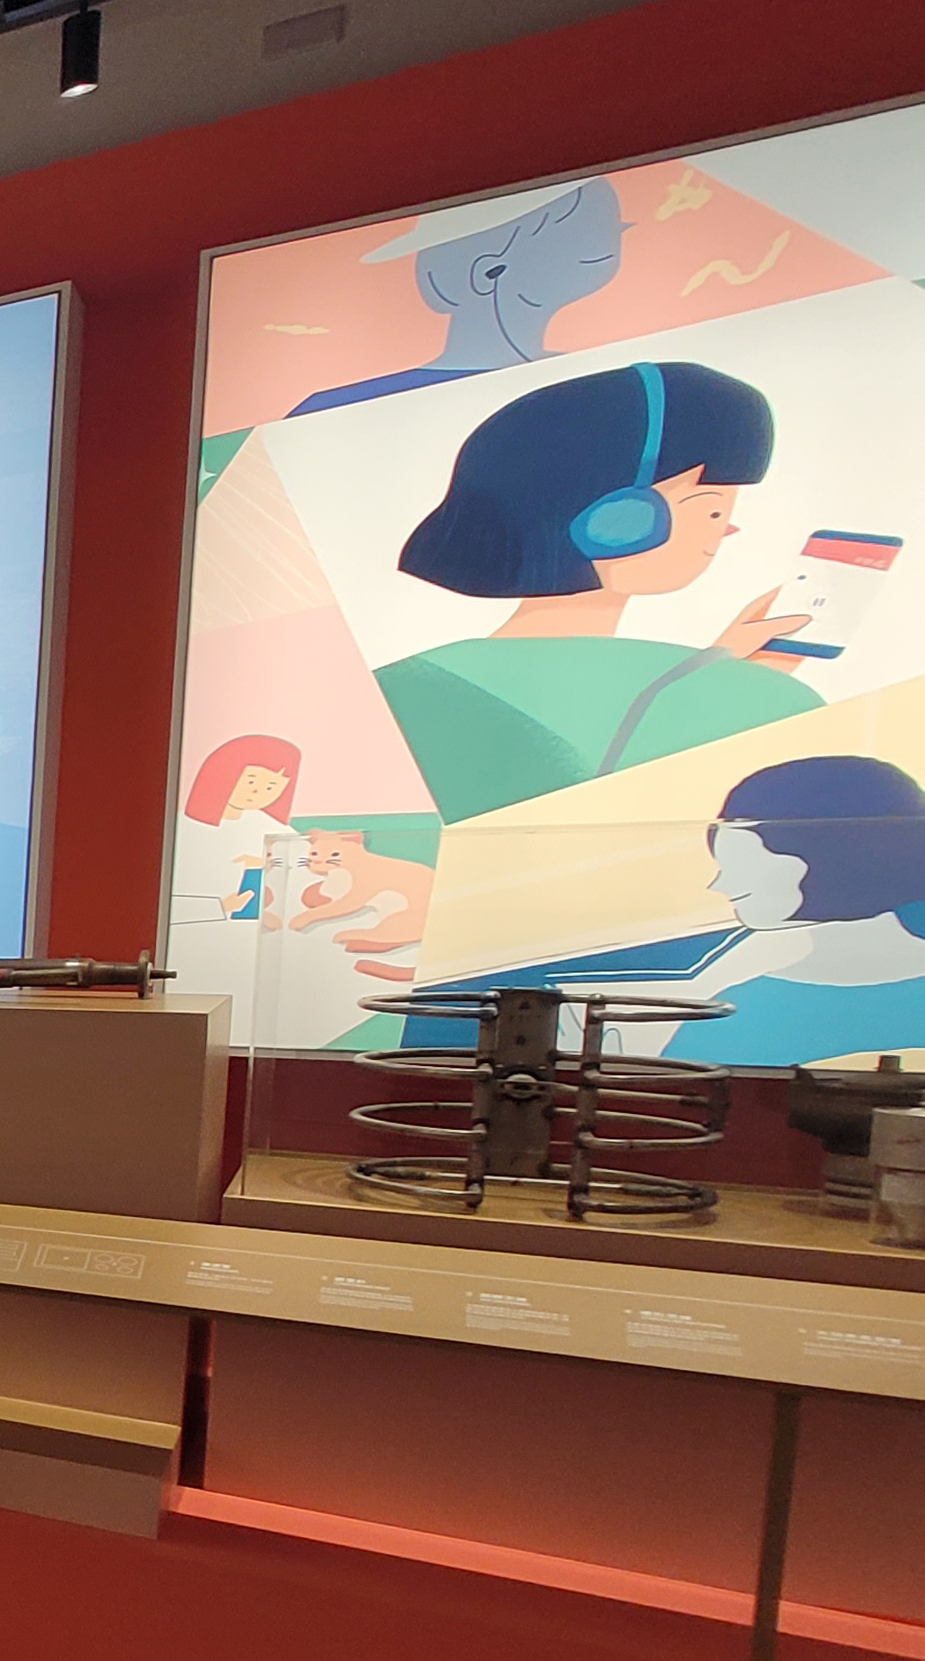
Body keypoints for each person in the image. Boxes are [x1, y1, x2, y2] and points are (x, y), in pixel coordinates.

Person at [376, 361, 820, 822]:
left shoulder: (392, 688)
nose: (727, 529)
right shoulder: (766, 701)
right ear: (619, 525)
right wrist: (743, 690)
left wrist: (714, 673)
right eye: (711, 511)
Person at [663, 756, 925, 1065]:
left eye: (743, 863)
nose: (720, 885)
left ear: (829, 856)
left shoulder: (741, 1012)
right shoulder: (738, 1010)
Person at [290, 181, 627, 417]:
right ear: (488, 271)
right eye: (587, 234)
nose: (610, 242)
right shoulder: (332, 411)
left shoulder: (609, 383)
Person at [175, 733, 302, 921]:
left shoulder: (274, 829)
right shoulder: (184, 829)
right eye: (250, 781)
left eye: (270, 787)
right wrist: (221, 907)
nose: (257, 791)